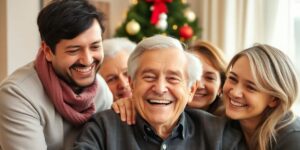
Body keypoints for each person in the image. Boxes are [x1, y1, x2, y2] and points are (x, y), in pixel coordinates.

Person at [73, 35, 234, 150]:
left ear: (191, 89)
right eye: (149, 77)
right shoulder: (103, 128)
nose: (160, 88)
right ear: (132, 84)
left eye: (173, 79)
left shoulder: (219, 134)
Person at [0, 0, 113, 149]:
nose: (87, 60)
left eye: (95, 46)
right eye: (73, 50)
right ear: (47, 51)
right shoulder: (16, 94)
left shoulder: (101, 90)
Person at [222, 44, 300, 150]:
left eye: (250, 87)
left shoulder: (293, 139)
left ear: (274, 99)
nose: (235, 93)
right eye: (233, 79)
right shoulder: (223, 121)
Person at [187, 40, 227, 116]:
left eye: (209, 78)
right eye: (192, 75)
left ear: (221, 86)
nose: (199, 85)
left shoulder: (229, 124)